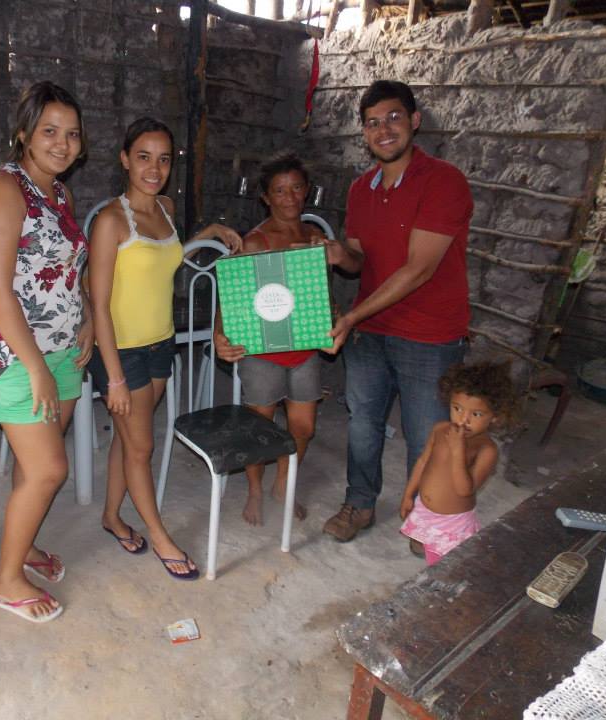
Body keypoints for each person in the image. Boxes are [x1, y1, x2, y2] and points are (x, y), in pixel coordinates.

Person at [87, 117, 242, 580]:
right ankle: (160, 536)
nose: (154, 169)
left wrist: (207, 231)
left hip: (161, 344)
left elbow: (163, 259)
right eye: (143, 157)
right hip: (121, 351)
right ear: (124, 159)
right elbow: (98, 302)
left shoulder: (167, 208)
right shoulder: (111, 221)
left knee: (127, 439)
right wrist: (114, 377)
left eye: (163, 159)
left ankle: (111, 517)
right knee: (142, 446)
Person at [321, 80, 473, 542]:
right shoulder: (360, 189)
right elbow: (359, 260)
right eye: (372, 123)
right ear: (364, 133)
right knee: (363, 423)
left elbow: (419, 269)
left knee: (425, 433)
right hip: (372, 331)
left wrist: (350, 317)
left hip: (430, 334)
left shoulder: (443, 181)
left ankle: (426, 517)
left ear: (414, 121)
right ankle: (360, 504)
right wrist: (339, 255)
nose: (383, 130)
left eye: (393, 118)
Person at [0, 81, 92, 621]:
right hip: (14, 355)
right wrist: (36, 368)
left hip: (62, 349)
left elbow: (68, 269)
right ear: (23, 134)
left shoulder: (60, 194)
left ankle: (23, 547)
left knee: (32, 463)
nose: (62, 144)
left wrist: (87, 316)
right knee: (48, 470)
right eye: (49, 131)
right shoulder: (4, 187)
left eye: (72, 134)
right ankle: (6, 580)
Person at [214, 153, 329, 526]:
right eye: (279, 190)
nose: (289, 197)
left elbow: (319, 294)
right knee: (259, 431)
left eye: (296, 188)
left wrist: (332, 317)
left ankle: (283, 484)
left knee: (303, 428)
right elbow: (231, 295)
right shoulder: (255, 242)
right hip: (262, 352)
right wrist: (219, 333)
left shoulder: (315, 240)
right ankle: (254, 490)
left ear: (306, 190)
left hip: (305, 349)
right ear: (266, 197)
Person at [399, 362, 514, 565]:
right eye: (457, 408)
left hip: (451, 523)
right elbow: (423, 461)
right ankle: (423, 539)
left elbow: (464, 490)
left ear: (495, 417)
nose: (463, 419)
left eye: (476, 414)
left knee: (442, 566)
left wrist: (457, 450)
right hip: (424, 509)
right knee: (424, 542)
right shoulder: (440, 429)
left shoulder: (487, 450)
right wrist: (409, 494)